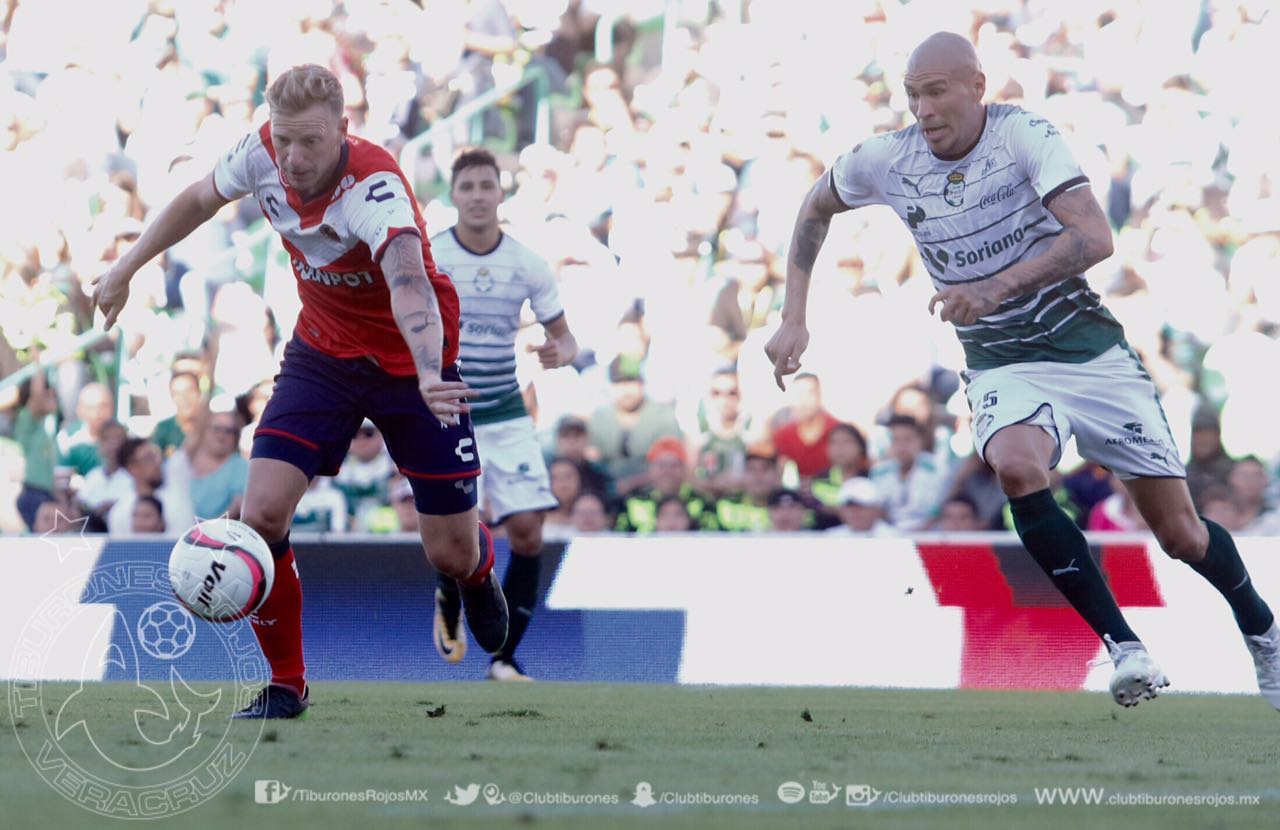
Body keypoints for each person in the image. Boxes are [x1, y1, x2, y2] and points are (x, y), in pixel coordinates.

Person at [764, 31, 1278, 710]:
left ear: (978, 86)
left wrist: (996, 288)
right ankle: (1125, 648)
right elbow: (815, 207)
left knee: (1181, 535)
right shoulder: (888, 160)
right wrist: (793, 315)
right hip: (1002, 358)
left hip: (1091, 355)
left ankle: (1264, 633)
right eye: (913, 95)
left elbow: (1095, 237)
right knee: (1015, 468)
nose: (923, 109)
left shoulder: (1024, 136)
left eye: (938, 91)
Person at [92, 64, 508, 719]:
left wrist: (430, 369)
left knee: (447, 550)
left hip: (413, 362)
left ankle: (475, 571)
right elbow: (200, 199)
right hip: (322, 354)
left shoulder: (375, 187)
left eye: (310, 141)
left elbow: (408, 280)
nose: (292, 156)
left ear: (343, 130)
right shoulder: (261, 152)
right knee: (260, 516)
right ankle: (288, 684)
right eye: (284, 139)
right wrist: (125, 267)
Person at [428, 147, 580, 682]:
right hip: (448, 412)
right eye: (466, 187)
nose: (476, 196)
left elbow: (567, 339)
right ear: (453, 195)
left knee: (529, 534)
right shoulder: (431, 256)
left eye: (485, 186)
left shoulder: (527, 263)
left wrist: (560, 351)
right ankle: (450, 587)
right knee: (456, 534)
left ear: (500, 193)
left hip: (507, 411)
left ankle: (505, 660)